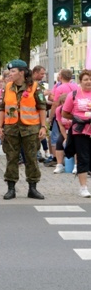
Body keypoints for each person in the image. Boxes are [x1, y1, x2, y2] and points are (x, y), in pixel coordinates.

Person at [0, 59, 48, 200]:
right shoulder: (7, 87)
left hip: (30, 129)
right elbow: (2, 108)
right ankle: (11, 188)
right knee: (11, 158)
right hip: (11, 129)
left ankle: (33, 188)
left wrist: (43, 127)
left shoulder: (35, 87)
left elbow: (42, 108)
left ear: (22, 72)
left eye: (13, 71)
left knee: (31, 158)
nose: (10, 74)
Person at [62, 69, 91, 197]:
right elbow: (64, 113)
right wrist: (76, 117)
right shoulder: (73, 94)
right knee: (83, 158)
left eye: (90, 79)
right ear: (80, 81)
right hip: (80, 131)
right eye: (85, 79)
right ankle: (83, 187)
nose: (88, 82)